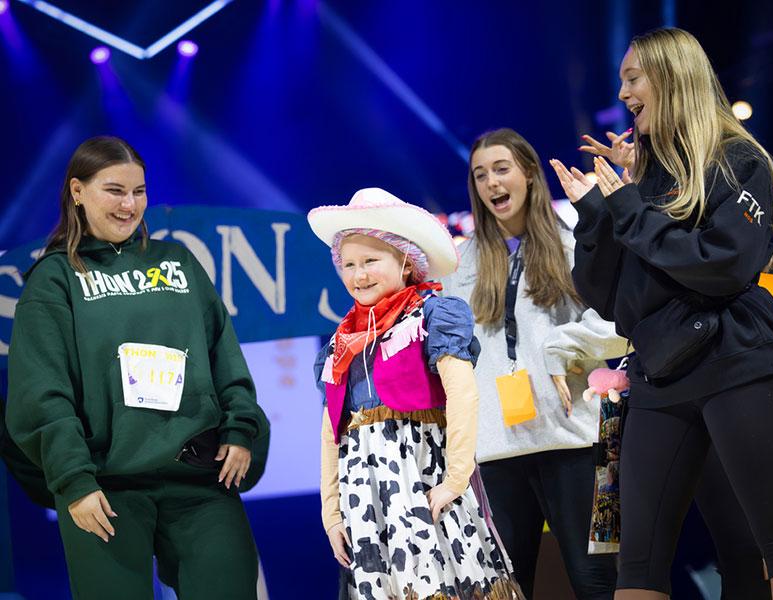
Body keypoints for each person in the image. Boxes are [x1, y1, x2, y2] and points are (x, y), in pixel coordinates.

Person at [550, 27, 773, 599]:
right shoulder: (644, 181)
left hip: (738, 360)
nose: (624, 93)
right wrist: (596, 215)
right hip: (660, 374)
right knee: (635, 558)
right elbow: (613, 302)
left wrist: (630, 208)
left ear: (671, 77)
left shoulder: (738, 160)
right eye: (622, 81)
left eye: (633, 78)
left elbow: (722, 267)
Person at [6, 136, 270, 600]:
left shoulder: (178, 263)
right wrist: (74, 482)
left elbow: (224, 355)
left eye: (140, 191)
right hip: (105, 488)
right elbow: (42, 392)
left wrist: (240, 429)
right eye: (115, 190)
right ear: (77, 191)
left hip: (199, 479)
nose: (131, 205)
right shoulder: (55, 280)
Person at [440, 128, 628, 600]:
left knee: (602, 581)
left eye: (501, 169)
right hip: (494, 452)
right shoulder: (458, 266)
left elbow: (626, 321)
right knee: (504, 588)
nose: (491, 183)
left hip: (583, 441)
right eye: (480, 175)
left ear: (528, 174)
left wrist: (561, 345)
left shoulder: (574, 246)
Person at [309, 187, 523, 599]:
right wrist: (331, 512)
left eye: (371, 261)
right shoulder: (340, 343)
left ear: (406, 262)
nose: (359, 274)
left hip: (426, 485)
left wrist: (454, 481)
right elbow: (331, 431)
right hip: (368, 501)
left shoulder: (431, 315)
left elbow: (463, 396)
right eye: (349, 264)